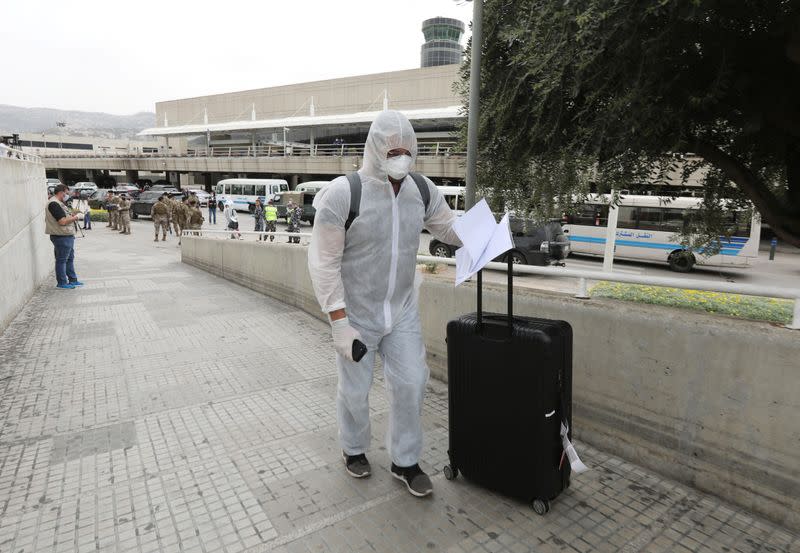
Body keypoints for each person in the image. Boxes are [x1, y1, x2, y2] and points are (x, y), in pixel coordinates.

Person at [308, 110, 461, 497]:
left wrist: (492, 234)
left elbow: (450, 229)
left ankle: (404, 460)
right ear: (375, 149)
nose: (402, 156)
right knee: (355, 391)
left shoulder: (421, 190)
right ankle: (354, 449)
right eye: (394, 149)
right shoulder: (344, 193)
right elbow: (323, 262)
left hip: (402, 308)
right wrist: (339, 322)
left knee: (412, 382)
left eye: (408, 149)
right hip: (357, 312)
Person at [45, 184, 84, 289]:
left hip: (66, 235)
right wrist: (76, 217)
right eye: (66, 193)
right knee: (62, 260)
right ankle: (62, 283)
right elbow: (62, 221)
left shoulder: (59, 203)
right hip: (61, 236)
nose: (67, 195)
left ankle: (72, 280)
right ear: (61, 192)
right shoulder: (54, 204)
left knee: (69, 258)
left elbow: (65, 217)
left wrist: (72, 215)